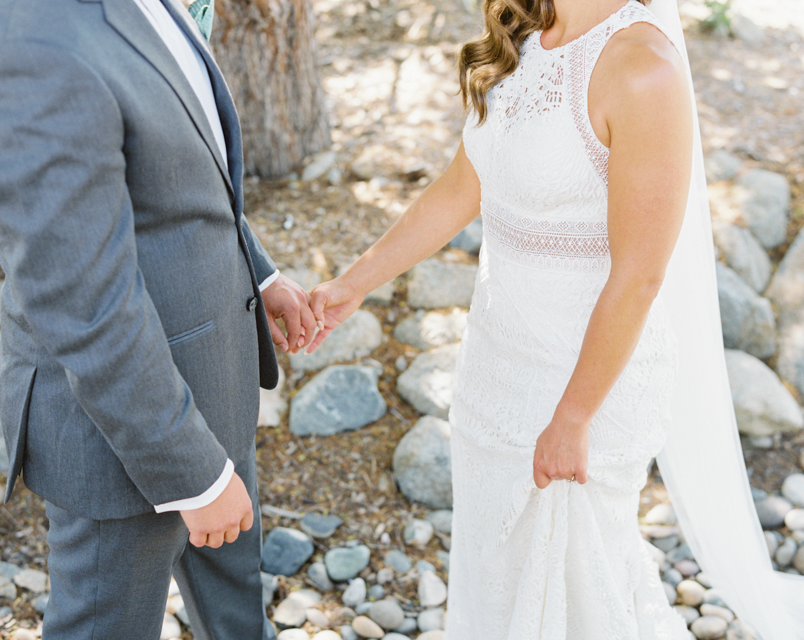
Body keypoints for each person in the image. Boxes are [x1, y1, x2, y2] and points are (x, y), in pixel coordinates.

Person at [309, 0, 804, 637]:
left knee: (581, 598)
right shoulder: (525, 31)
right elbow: (466, 184)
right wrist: (353, 284)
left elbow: (639, 275)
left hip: (586, 388)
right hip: (494, 370)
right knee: (496, 582)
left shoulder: (642, 67)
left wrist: (573, 416)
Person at [0, 0, 317, 638]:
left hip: (213, 378)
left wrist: (257, 270)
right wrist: (192, 474)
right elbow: (82, 301)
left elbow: (174, 167)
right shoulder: (25, 47)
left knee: (236, 613)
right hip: (123, 434)